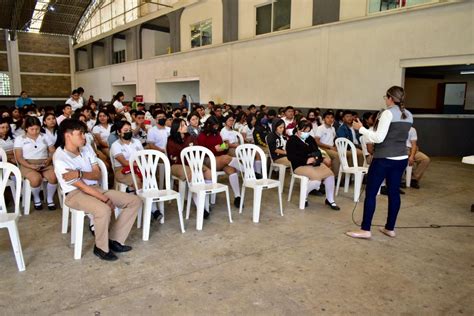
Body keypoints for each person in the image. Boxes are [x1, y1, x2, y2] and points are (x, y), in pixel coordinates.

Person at [53, 119, 141, 261]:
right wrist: (105, 199)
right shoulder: (60, 158)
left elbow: (97, 174)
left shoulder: (86, 148)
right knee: (103, 209)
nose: (84, 137)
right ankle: (101, 248)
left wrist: (80, 173)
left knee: (134, 200)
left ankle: (114, 239)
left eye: (84, 133)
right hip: (75, 194)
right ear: (67, 135)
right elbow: (82, 186)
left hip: (95, 188)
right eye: (80, 134)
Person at [347, 86, 413, 239]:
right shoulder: (409, 115)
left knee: (371, 193)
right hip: (401, 158)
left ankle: (365, 229)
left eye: (385, 97)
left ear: (390, 98)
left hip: (384, 159)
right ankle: (390, 228)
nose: (385, 99)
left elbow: (378, 138)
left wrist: (361, 129)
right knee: (394, 193)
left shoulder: (388, 113)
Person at [286, 120, 340, 210]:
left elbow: (317, 151)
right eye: (304, 131)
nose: (306, 133)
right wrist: (306, 160)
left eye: (308, 131)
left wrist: (317, 159)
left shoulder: (310, 139)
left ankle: (330, 199)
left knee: (330, 175)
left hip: (314, 163)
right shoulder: (292, 140)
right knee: (316, 180)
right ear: (297, 129)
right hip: (299, 165)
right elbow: (291, 157)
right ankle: (304, 196)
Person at [167, 118, 213, 218]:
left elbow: (197, 150)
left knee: (208, 172)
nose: (186, 126)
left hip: (192, 163)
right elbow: (175, 157)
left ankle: (206, 200)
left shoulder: (190, 137)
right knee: (192, 175)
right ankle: (200, 207)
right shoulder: (171, 139)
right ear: (177, 128)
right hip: (177, 165)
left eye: (185, 124)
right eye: (182, 125)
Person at [197, 116, 242, 207]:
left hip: (218, 159)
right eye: (215, 126)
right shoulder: (202, 135)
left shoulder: (217, 134)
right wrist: (215, 149)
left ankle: (238, 197)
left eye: (217, 126)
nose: (216, 128)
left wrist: (224, 147)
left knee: (231, 170)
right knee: (226, 158)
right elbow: (201, 151)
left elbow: (222, 146)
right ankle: (246, 169)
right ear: (209, 125)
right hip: (206, 160)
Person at [14, 116, 57, 210]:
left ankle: (50, 199)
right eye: (32, 129)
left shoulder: (44, 136)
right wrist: (30, 166)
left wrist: (49, 160)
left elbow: (53, 151)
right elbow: (19, 157)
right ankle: (37, 198)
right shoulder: (20, 139)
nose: (35, 131)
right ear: (26, 128)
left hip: (45, 163)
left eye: (37, 129)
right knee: (35, 179)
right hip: (27, 164)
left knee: (54, 177)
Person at [110, 121, 144, 192]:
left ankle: (148, 199)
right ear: (119, 132)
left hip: (137, 167)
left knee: (150, 176)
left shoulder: (137, 142)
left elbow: (143, 156)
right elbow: (124, 162)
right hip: (121, 170)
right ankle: (142, 201)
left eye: (130, 130)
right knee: (136, 179)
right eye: (125, 130)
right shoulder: (115, 145)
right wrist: (140, 165)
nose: (128, 132)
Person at [315, 111, 339, 175]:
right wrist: (330, 147)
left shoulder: (333, 128)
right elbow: (317, 142)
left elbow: (334, 139)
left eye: (332, 118)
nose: (330, 119)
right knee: (337, 156)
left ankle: (345, 176)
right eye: (327, 117)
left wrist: (335, 147)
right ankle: (335, 176)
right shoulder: (320, 128)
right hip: (323, 148)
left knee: (346, 154)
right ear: (323, 119)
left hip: (331, 148)